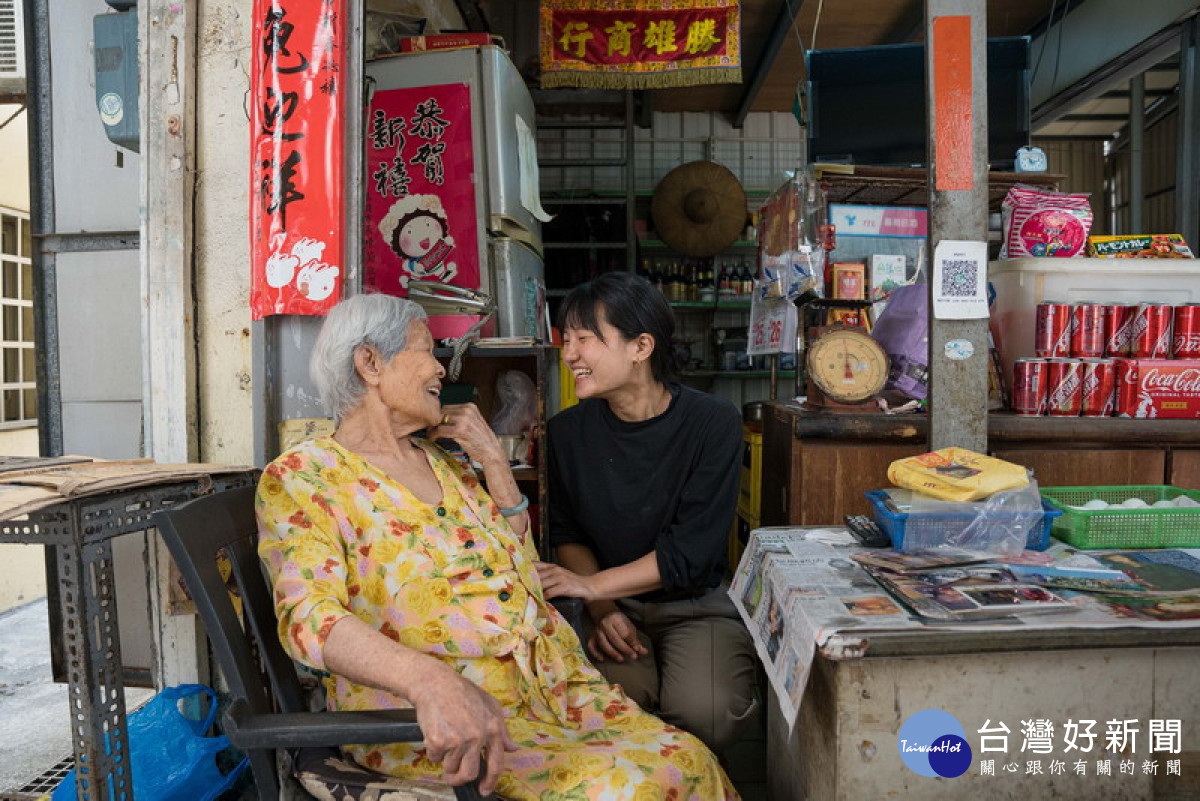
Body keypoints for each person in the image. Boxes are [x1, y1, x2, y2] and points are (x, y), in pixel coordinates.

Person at [256, 294, 737, 800]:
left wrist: (494, 463)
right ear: (370, 363)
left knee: (688, 760)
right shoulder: (305, 477)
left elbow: (520, 568)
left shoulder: (443, 463)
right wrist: (430, 683)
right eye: (428, 351)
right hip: (439, 723)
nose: (441, 369)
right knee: (632, 787)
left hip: (547, 694)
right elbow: (309, 618)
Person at [536, 272, 758, 756]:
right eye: (565, 339)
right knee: (620, 710)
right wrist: (601, 607)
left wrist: (594, 587)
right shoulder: (565, 433)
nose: (570, 354)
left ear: (640, 346)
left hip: (694, 605)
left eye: (585, 339)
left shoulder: (712, 421)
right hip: (609, 608)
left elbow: (692, 553)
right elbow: (565, 531)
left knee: (709, 713)